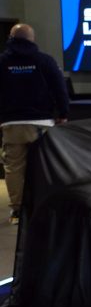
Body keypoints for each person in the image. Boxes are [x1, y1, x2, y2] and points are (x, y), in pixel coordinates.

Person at [0, 24, 69, 225]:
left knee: (14, 168)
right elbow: (60, 89)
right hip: (42, 123)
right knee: (45, 166)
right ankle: (45, 208)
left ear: (11, 38)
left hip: (12, 123)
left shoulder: (2, 62)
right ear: (32, 39)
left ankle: (18, 212)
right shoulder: (44, 61)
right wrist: (63, 113)